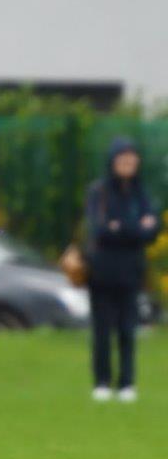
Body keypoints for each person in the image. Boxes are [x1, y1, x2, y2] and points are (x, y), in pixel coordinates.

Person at [85, 137, 159, 403]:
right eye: (122, 160)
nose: (128, 165)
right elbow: (100, 229)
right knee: (102, 330)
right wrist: (135, 228)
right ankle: (102, 381)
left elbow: (152, 229)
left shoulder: (141, 193)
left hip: (131, 272)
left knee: (128, 330)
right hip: (102, 272)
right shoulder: (99, 192)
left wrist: (124, 227)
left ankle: (127, 382)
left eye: (131, 160)